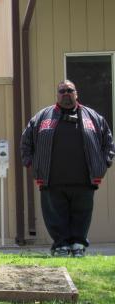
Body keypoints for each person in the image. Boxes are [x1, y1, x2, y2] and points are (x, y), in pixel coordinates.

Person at [21, 80, 114, 257]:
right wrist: (32, 164)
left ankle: (78, 245)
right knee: (55, 216)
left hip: (85, 180)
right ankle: (61, 246)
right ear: (57, 95)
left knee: (82, 214)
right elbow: (26, 142)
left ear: (76, 94)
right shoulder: (42, 117)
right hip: (51, 180)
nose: (66, 93)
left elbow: (108, 142)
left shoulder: (93, 117)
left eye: (69, 90)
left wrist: (103, 164)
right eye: (62, 91)